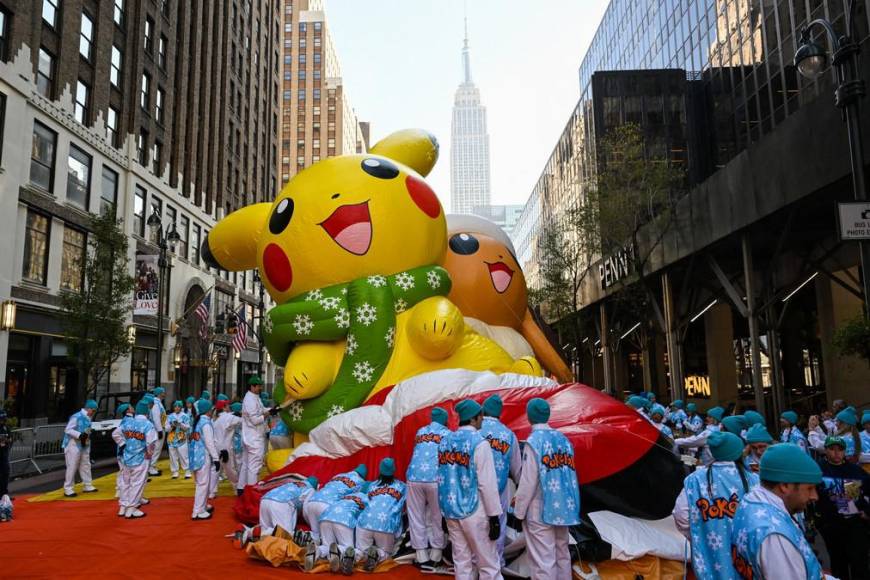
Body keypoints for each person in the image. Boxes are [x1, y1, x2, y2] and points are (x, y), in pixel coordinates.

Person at [730, 443, 825, 580]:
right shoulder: (775, 536)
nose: (814, 496)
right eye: (809, 488)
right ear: (785, 485)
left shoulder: (750, 501)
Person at [673, 431, 759, 579]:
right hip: (748, 560)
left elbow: (680, 515)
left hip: (709, 560)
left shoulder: (694, 480)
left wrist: (698, 533)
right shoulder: (754, 480)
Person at [513, 398, 581, 580]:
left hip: (540, 509)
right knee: (562, 555)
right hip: (564, 507)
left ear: (529, 416)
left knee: (543, 561)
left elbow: (528, 482)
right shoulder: (563, 440)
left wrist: (518, 512)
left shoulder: (533, 442)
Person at [437, 399, 502, 580]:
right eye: (481, 415)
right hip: (474, 510)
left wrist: (443, 512)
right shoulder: (480, 444)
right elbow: (486, 483)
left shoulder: (445, 442)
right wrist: (494, 516)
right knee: (489, 563)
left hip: (450, 510)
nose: (483, 419)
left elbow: (441, 479)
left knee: (462, 562)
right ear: (474, 418)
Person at [813, 436, 870, 580]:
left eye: (840, 450)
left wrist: (868, 512)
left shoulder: (855, 470)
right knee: (838, 564)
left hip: (855, 524)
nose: (836, 453)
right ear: (825, 450)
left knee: (859, 563)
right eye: (832, 449)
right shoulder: (817, 470)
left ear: (845, 451)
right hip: (831, 525)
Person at [479, 395, 522, 567]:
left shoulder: (475, 429)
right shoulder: (508, 434)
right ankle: (496, 565)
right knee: (498, 528)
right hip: (499, 489)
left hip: (474, 489)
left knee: (476, 529)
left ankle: (477, 565)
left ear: (483, 410)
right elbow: (517, 469)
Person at [406, 407, 451, 569]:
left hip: (413, 477)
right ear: (445, 420)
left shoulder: (420, 431)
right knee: (437, 516)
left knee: (416, 516)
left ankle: (421, 556)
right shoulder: (448, 434)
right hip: (435, 478)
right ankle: (436, 554)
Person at [356, 458, 407, 572]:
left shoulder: (372, 485)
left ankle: (352, 555)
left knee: (360, 551)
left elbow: (365, 501)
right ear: (393, 470)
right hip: (386, 524)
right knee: (387, 554)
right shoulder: (402, 486)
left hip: (365, 521)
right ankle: (378, 554)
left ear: (380, 470)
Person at [113, 400, 157, 518]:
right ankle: (131, 509)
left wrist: (123, 444)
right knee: (137, 483)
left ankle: (123, 507)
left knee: (125, 482)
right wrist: (149, 453)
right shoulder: (148, 424)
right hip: (140, 458)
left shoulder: (128, 422)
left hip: (127, 458)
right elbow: (151, 442)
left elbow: (115, 434)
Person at [302, 464, 368, 544]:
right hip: (327, 507)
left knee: (316, 533)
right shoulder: (360, 482)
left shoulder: (339, 475)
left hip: (311, 503)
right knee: (330, 538)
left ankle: (308, 537)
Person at [310, 488, 370, 574]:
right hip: (344, 520)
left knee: (327, 546)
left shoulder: (346, 496)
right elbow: (364, 521)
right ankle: (339, 550)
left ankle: (317, 551)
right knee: (350, 549)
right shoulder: (367, 500)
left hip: (325, 517)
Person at [241, 376, 277, 493]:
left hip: (251, 436)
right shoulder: (249, 400)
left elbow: (261, 409)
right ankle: (251, 491)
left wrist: (272, 409)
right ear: (252, 386)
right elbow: (255, 420)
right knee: (254, 466)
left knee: (247, 465)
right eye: (258, 386)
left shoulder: (255, 397)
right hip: (253, 437)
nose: (260, 388)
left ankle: (242, 488)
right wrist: (267, 414)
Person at [189, 399, 219, 520]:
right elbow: (209, 443)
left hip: (195, 457)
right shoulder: (206, 424)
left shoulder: (198, 421)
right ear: (208, 410)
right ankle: (198, 511)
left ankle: (202, 505)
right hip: (203, 457)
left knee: (200, 483)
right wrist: (216, 458)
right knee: (203, 484)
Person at [62, 399, 99, 497]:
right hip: (72, 444)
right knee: (72, 465)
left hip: (84, 444)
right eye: (93, 410)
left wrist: (86, 437)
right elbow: (68, 429)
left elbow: (86, 430)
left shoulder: (88, 417)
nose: (94, 413)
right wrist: (79, 435)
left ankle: (87, 485)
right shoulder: (76, 416)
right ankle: (68, 488)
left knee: (86, 464)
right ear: (89, 408)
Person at [113, 403, 134, 498]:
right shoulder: (128, 421)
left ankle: (120, 490)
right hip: (126, 451)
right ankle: (120, 491)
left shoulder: (125, 420)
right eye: (131, 407)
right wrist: (123, 445)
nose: (133, 408)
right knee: (124, 471)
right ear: (127, 410)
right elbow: (115, 434)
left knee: (123, 471)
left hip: (124, 450)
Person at [166, 400, 192, 479]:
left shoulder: (185, 416)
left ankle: (187, 471)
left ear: (181, 407)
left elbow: (188, 427)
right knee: (173, 456)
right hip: (171, 439)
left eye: (178, 406)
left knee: (183, 455)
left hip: (182, 439)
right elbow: (166, 429)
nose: (177, 408)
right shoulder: (169, 416)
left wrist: (180, 424)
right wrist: (172, 426)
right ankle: (175, 472)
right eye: (175, 406)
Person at [148, 387, 168, 476]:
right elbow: (156, 418)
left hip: (158, 429)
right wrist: (160, 430)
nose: (165, 394)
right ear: (159, 393)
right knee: (156, 449)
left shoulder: (158, 403)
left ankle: (152, 466)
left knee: (156, 449)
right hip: (157, 430)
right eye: (163, 392)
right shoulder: (156, 404)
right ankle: (151, 468)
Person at [228, 402, 246, 491]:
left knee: (234, 464)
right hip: (240, 443)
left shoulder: (229, 418)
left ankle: (237, 484)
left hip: (231, 443)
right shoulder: (241, 419)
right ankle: (240, 484)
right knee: (240, 464)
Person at [0, 410, 10, 499]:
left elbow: (10, 438)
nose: (3, 421)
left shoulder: (6, 427)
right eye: (2, 419)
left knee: (6, 473)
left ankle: (5, 494)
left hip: (5, 454)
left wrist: (7, 441)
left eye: (4, 419)